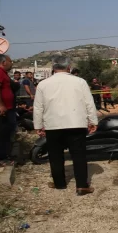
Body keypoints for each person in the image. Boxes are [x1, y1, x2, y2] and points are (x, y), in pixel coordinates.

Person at [33, 56, 97, 195]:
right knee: (79, 155)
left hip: (53, 125)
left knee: (55, 155)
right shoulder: (80, 82)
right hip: (76, 124)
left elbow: (38, 107)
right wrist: (93, 121)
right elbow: (89, 103)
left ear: (53, 68)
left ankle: (59, 183)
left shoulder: (43, 84)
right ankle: (81, 186)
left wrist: (38, 125)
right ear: (69, 67)